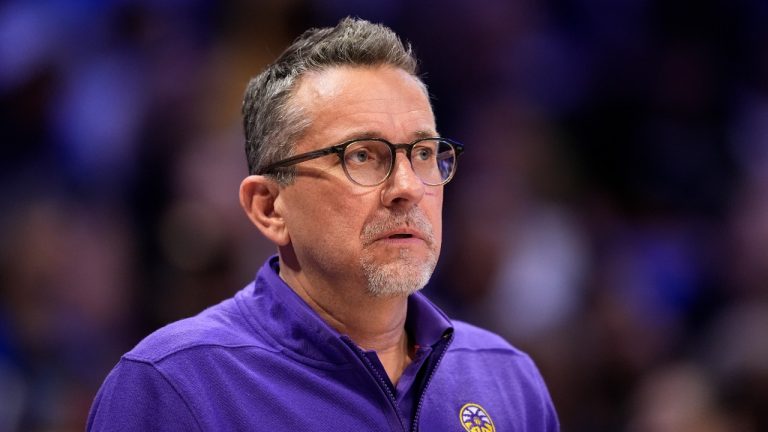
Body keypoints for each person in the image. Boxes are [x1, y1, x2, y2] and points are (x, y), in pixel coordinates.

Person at [87, 17, 559, 431]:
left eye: (423, 154)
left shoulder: (507, 381)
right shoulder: (174, 386)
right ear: (269, 207)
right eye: (361, 156)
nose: (408, 187)